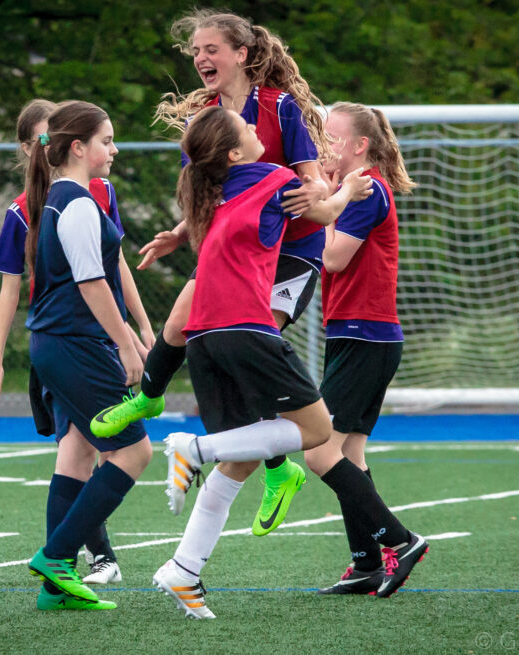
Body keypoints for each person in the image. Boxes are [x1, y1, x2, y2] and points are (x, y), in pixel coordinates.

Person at [91, 9, 332, 536]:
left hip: (289, 252)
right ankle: (154, 398)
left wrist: (320, 195)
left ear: (241, 54)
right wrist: (181, 233)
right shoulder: (205, 113)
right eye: (195, 51)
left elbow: (312, 183)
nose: (200, 58)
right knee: (181, 324)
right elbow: (207, 193)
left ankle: (265, 466)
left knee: (248, 346)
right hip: (237, 248)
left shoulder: (280, 106)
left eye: (210, 49)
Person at [151, 106, 372, 619]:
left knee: (242, 459)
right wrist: (348, 192)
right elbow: (322, 215)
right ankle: (193, 448)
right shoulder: (272, 175)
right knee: (317, 430)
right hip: (244, 326)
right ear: (233, 152)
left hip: (202, 334)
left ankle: (184, 571)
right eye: (247, 130)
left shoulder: (209, 193)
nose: (256, 130)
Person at [0, 99, 151, 589]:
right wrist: (125, 342)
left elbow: (106, 270)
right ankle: (58, 557)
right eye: (106, 140)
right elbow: (92, 283)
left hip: (62, 342)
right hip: (75, 343)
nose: (114, 148)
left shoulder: (71, 197)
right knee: (134, 453)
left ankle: (58, 585)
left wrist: (136, 327)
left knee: (76, 453)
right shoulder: (72, 203)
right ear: (76, 147)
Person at [302, 102, 428, 598]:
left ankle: (401, 540)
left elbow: (332, 258)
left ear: (361, 146)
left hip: (364, 335)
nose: (323, 146)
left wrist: (326, 206)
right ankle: (366, 565)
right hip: (361, 336)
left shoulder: (365, 188)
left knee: (319, 452)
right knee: (349, 453)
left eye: (332, 138)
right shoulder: (347, 190)